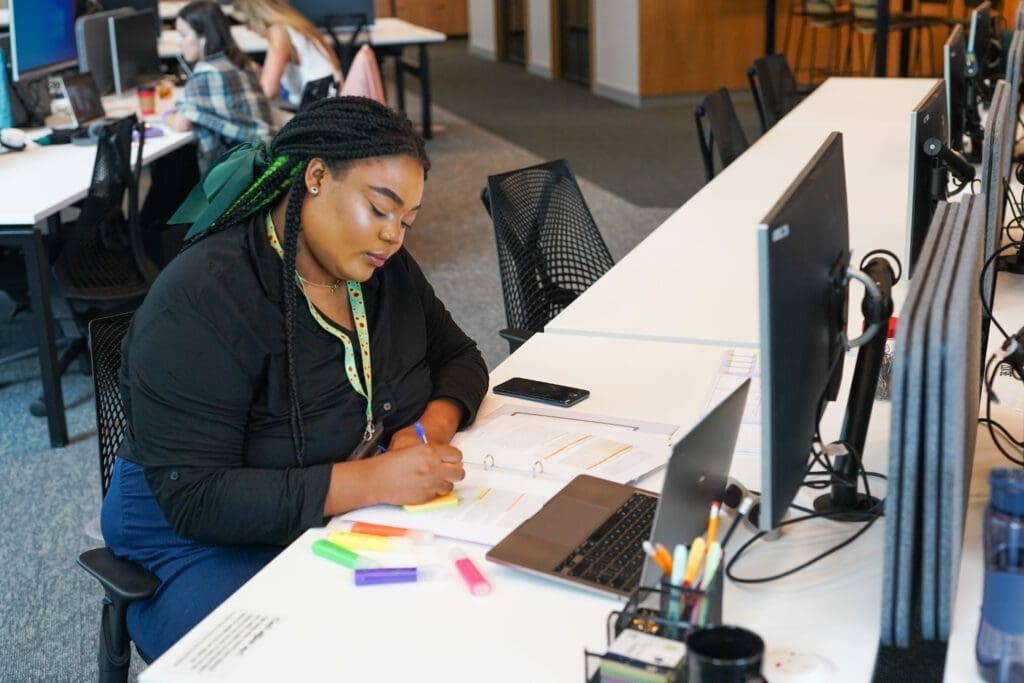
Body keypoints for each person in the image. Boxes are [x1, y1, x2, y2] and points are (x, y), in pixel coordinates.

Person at [100, 96, 489, 659]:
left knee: (428, 631)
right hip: (194, 535)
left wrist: (424, 432)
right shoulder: (204, 297)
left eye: (406, 220)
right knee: (306, 659)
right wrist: (377, 479)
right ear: (315, 176)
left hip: (334, 506)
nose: (393, 237)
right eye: (379, 209)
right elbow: (197, 498)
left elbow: (459, 357)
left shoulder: (381, 269)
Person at [165, 1, 276, 171]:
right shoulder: (244, 63)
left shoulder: (205, 74)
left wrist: (166, 116)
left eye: (183, 35)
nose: (179, 43)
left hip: (243, 169)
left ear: (204, 37)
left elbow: (181, 124)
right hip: (268, 157)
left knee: (173, 165)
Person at [234, 0, 343, 106]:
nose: (248, 28)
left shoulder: (278, 32)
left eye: (247, 21)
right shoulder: (294, 26)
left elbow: (268, 91)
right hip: (328, 94)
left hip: (317, 97)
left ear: (259, 16)